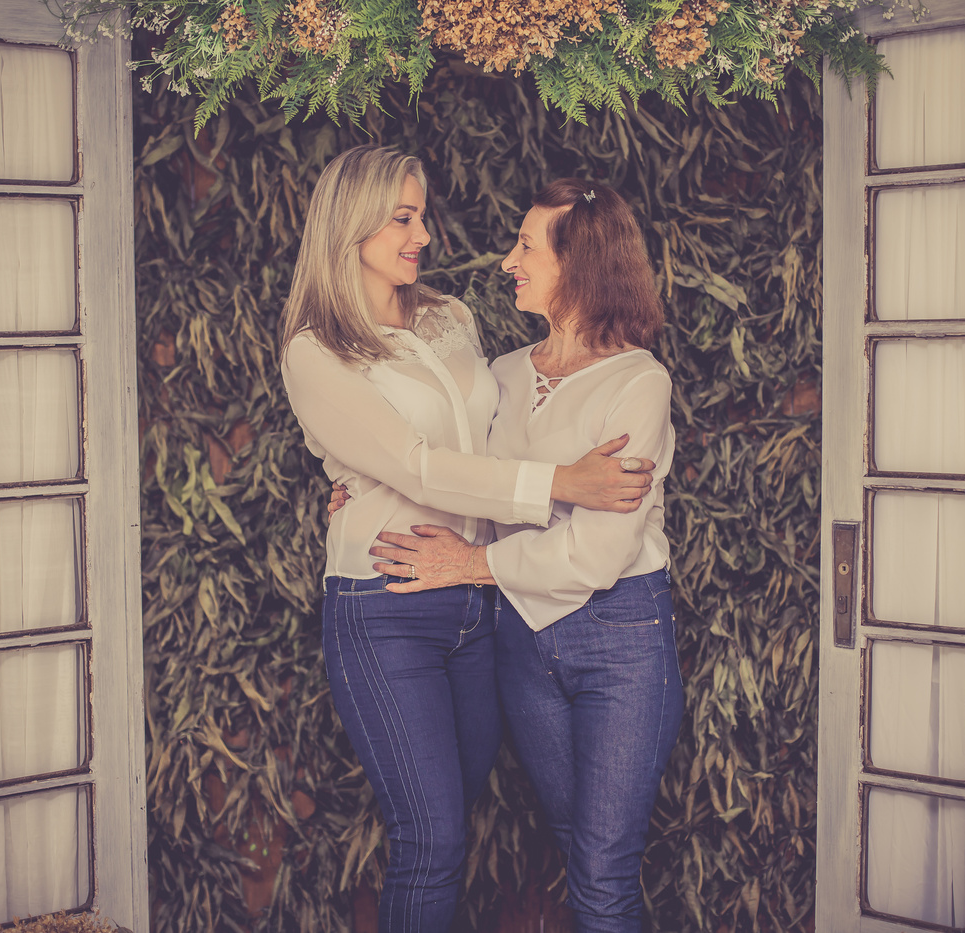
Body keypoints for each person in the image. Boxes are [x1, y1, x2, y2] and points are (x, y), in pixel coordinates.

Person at [277, 146, 656, 933]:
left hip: (475, 608)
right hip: (385, 601)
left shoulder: (450, 317)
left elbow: (482, 437)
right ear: (351, 226)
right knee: (431, 840)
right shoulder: (316, 349)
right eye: (402, 218)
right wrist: (560, 482)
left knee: (460, 812)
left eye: (421, 215)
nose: (422, 234)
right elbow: (416, 463)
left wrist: (465, 549)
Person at [364, 179, 682, 933]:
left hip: (621, 637)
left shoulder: (639, 382)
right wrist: (356, 484)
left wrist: (470, 566)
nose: (509, 260)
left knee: (603, 878)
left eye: (527, 245)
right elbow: (454, 476)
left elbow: (599, 554)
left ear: (582, 263)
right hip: (522, 642)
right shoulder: (502, 375)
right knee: (578, 851)